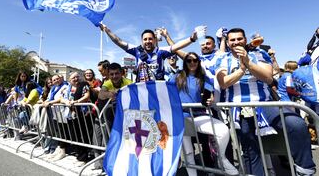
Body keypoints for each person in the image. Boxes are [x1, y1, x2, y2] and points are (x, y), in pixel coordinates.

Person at [216, 28, 316, 175]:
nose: (236, 42)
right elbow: (224, 82)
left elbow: (268, 78)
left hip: (265, 105)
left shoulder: (259, 53)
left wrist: (248, 62)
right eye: (232, 40)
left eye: (239, 39)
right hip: (239, 109)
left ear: (245, 40)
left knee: (297, 125)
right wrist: (241, 70)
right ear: (228, 42)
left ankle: (305, 170)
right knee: (250, 151)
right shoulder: (222, 59)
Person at [169, 52, 238, 176]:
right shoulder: (176, 76)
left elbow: (209, 95)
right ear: (184, 62)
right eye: (189, 60)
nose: (192, 63)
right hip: (179, 118)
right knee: (188, 153)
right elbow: (165, 92)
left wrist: (210, 99)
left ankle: (222, 159)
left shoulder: (203, 78)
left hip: (198, 116)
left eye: (195, 60)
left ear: (198, 62)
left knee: (223, 130)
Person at [99, 24, 197, 81]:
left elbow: (177, 46)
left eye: (150, 39)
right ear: (142, 40)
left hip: (158, 90)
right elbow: (118, 41)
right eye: (145, 39)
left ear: (155, 40)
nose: (148, 41)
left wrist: (191, 39)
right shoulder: (136, 50)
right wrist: (107, 30)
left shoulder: (161, 52)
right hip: (141, 90)